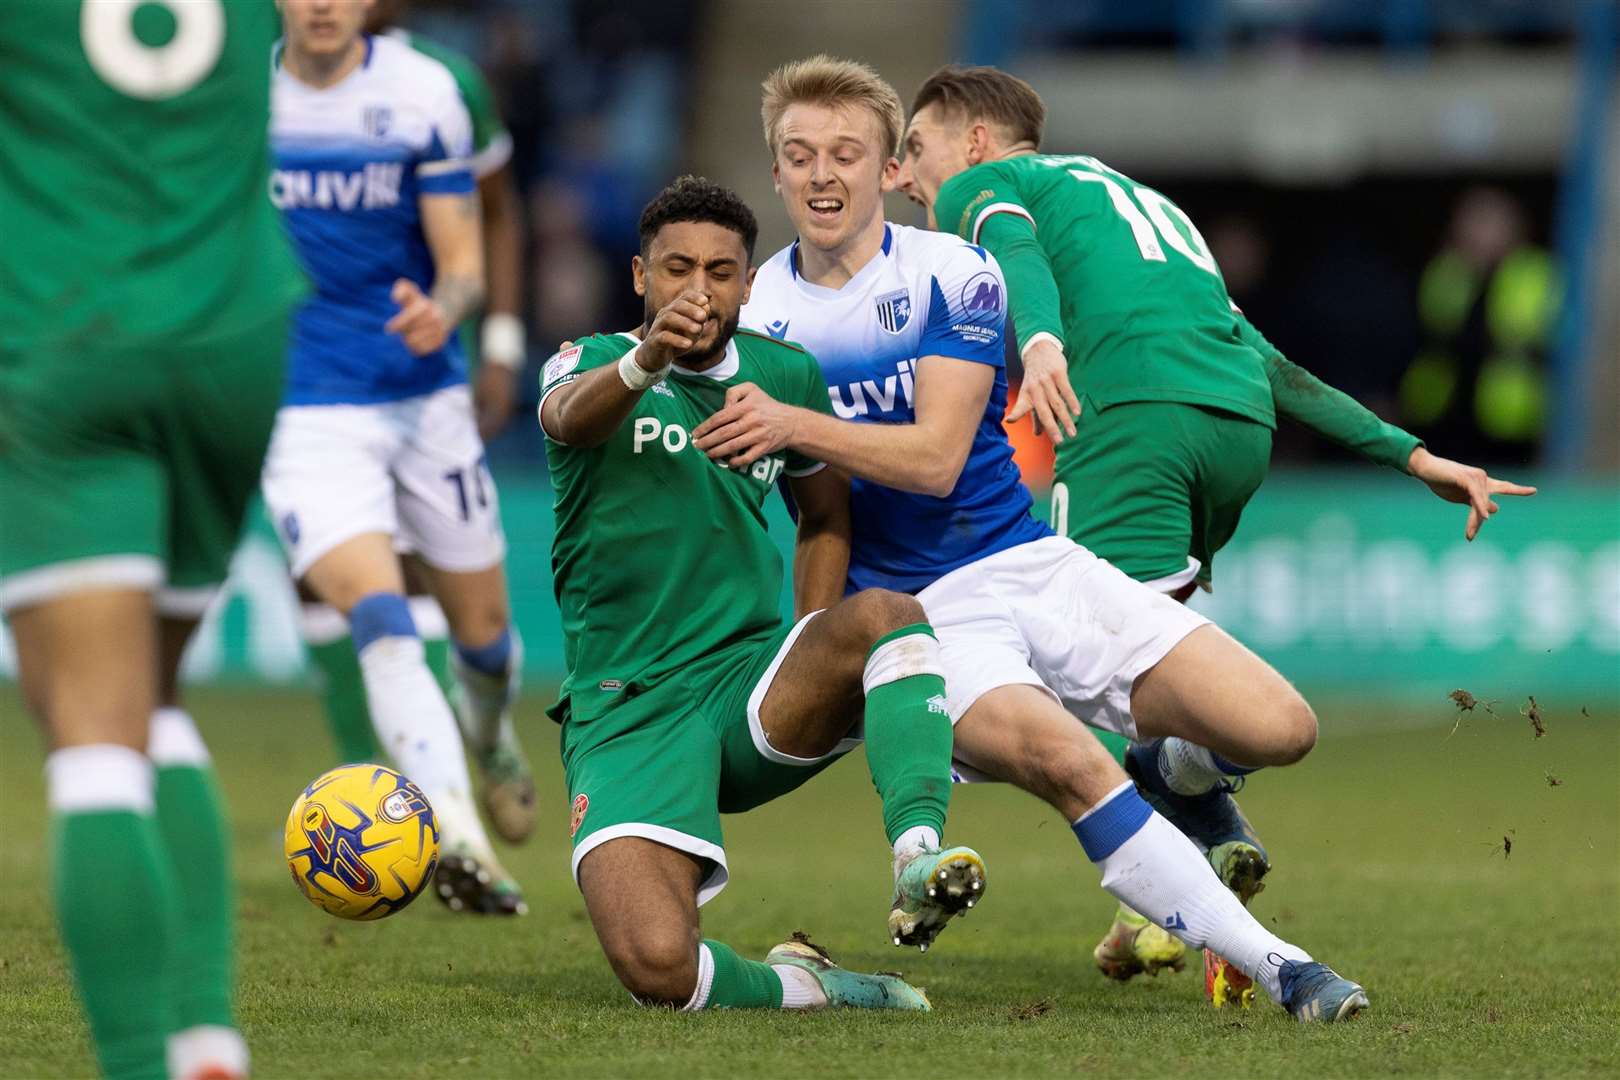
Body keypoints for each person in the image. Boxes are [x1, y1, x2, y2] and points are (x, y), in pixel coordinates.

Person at [692, 54, 1368, 1022]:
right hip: (921, 619)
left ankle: (1173, 776)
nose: (822, 174)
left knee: (1279, 727)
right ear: (776, 173)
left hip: (1030, 564)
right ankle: (1285, 968)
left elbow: (932, 458)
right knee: (1071, 765)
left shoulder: (955, 272)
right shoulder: (755, 315)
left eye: (847, 152)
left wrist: (793, 421)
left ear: (890, 167)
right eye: (799, 155)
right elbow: (806, 504)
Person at [892, 63, 1535, 997]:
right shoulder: (1142, 204)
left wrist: (1038, 340)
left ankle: (1188, 851)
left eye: (916, 148)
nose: (909, 174)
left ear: (977, 141)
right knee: (1156, 681)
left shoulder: (991, 187)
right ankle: (1179, 824)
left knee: (1056, 692)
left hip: (1133, 430)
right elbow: (1264, 356)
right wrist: (1412, 455)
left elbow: (1012, 252)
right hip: (1238, 431)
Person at [540, 176, 990, 1011]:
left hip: (743, 684)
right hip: (627, 706)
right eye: (677, 269)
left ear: (749, 285)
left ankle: (918, 856)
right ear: (641, 277)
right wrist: (648, 361)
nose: (698, 290)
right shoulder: (592, 361)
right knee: (658, 970)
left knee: (889, 614)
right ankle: (811, 988)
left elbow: (824, 517)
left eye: (721, 271)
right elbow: (567, 421)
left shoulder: (786, 375)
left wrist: (811, 641)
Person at [0, 2, 304, 1076]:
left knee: (91, 731)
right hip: (236, 333)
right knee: (153, 699)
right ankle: (207, 1035)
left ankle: (139, 1059)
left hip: (70, 327)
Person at [265, 0, 525, 915]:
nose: (323, 4)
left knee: (487, 642)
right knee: (382, 614)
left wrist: (450, 311)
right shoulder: (239, 102)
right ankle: (457, 834)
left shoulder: (424, 92)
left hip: (423, 401)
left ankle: (490, 736)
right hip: (301, 410)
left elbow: (462, 256)